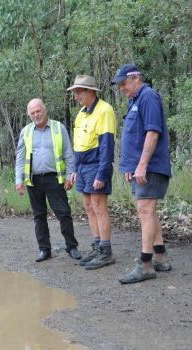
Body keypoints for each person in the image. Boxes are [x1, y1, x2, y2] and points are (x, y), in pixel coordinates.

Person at [111, 64, 172, 284]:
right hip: (140, 167)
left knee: (145, 210)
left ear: (136, 77)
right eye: (119, 85)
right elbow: (134, 136)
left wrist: (142, 164)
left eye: (123, 83)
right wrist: (130, 165)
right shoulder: (135, 101)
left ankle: (145, 265)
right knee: (148, 210)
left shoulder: (148, 97)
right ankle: (160, 256)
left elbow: (153, 132)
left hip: (151, 166)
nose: (121, 88)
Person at [15, 98, 81, 262]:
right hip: (33, 180)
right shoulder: (26, 131)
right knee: (39, 216)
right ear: (29, 115)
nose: (36, 115)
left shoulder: (59, 128)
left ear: (44, 110)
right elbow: (20, 158)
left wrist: (70, 175)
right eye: (32, 113)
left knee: (64, 213)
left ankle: (72, 247)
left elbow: (68, 153)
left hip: (55, 178)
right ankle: (44, 250)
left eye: (38, 111)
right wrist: (19, 180)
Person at [67, 75, 116, 270]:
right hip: (83, 165)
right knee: (88, 206)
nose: (76, 95)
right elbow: (78, 144)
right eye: (75, 92)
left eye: (79, 91)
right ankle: (96, 247)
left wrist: (102, 173)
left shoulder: (104, 110)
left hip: (97, 164)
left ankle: (106, 251)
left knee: (98, 205)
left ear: (91, 91)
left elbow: (106, 145)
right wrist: (75, 170)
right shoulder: (81, 113)